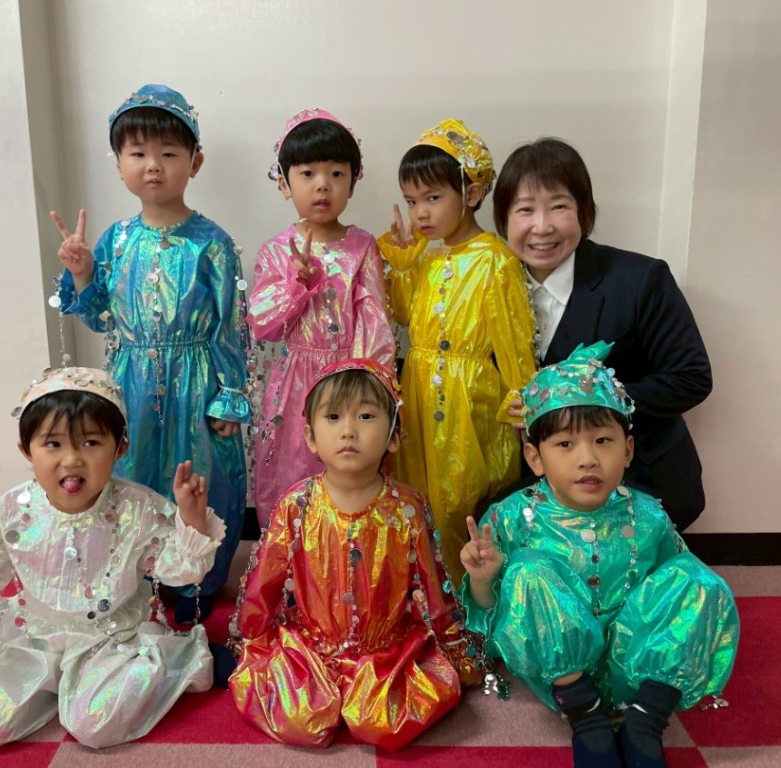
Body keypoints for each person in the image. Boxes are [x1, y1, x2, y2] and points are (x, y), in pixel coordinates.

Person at [0, 367, 226, 750]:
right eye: (53, 444)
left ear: (120, 448)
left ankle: (184, 657)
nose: (72, 460)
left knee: (96, 724)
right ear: (26, 450)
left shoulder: (138, 508)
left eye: (90, 442)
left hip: (114, 640)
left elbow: (178, 573)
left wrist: (190, 520)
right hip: (35, 639)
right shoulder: (11, 510)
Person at [460, 343, 738, 768]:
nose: (587, 459)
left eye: (603, 441)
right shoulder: (512, 517)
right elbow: (493, 615)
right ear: (535, 457)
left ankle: (645, 720)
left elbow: (679, 596)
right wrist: (483, 580)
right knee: (528, 571)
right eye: (565, 444)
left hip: (638, 669)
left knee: (699, 580)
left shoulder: (647, 515)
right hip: (563, 677)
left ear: (627, 450)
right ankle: (586, 717)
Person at [51, 84, 250, 621]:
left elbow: (231, 324)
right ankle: (133, 578)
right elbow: (98, 315)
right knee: (130, 474)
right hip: (131, 382)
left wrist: (229, 396)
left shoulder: (212, 243)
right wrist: (83, 273)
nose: (153, 165)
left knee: (200, 476)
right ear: (119, 164)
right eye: (137, 153)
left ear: (195, 162)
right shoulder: (116, 240)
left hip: (198, 384)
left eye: (168, 153)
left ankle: (196, 582)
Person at [228, 359, 481, 750]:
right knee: (303, 721)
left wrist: (456, 648)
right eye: (333, 417)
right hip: (310, 650)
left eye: (365, 416)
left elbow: (434, 586)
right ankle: (320, 695)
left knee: (382, 723)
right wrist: (250, 640)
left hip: (386, 653)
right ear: (311, 437)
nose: (348, 430)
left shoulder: (408, 507)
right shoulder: (296, 505)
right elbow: (265, 584)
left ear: (393, 435)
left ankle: (366, 698)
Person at [492, 137, 711, 530]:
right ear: (503, 219)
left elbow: (691, 378)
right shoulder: (488, 288)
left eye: (559, 206)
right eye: (525, 209)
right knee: (487, 521)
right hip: (538, 477)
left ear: (584, 211)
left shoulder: (640, 280)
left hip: (636, 474)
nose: (542, 226)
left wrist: (590, 396)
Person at [378, 118, 536, 583]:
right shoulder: (429, 257)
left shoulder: (496, 259)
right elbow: (403, 316)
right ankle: (427, 588)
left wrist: (524, 396)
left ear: (471, 193)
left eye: (432, 198)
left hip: (469, 401)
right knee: (416, 491)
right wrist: (403, 264)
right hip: (420, 388)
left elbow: (513, 339)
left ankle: (469, 593)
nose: (420, 213)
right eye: (411, 201)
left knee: (461, 496)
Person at [247, 108, 395, 526]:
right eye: (308, 173)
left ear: (353, 181)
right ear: (284, 183)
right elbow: (262, 325)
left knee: (352, 472)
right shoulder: (277, 250)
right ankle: (290, 555)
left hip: (351, 380)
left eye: (336, 173)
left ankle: (347, 555)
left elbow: (375, 324)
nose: (322, 184)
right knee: (292, 472)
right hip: (295, 384)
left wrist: (370, 387)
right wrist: (297, 283)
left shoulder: (362, 246)